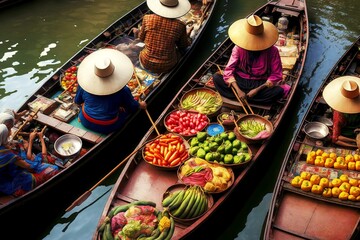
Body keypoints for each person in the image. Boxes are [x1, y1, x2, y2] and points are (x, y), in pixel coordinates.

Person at [213, 15, 290, 104]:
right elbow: (229, 70)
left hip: (260, 82)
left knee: (278, 91)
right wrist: (238, 90)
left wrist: (257, 89)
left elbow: (276, 74)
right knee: (216, 78)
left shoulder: (273, 51)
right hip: (240, 81)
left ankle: (245, 97)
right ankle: (245, 96)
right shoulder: (238, 48)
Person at [74, 48, 147, 134]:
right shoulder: (123, 90)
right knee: (125, 110)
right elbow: (132, 107)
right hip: (108, 126)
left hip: (85, 120)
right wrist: (141, 105)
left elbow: (77, 101)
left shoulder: (84, 84)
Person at [132, 0, 192, 74]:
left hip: (146, 62)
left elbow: (141, 38)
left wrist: (138, 31)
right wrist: (187, 35)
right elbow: (183, 45)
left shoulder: (147, 18)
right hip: (168, 65)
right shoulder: (180, 25)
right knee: (185, 50)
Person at [0, 124, 59, 197]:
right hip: (11, 182)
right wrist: (34, 140)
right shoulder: (7, 154)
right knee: (54, 169)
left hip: (8, 176)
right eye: (8, 130)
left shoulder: (6, 148)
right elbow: (29, 166)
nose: (10, 132)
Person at [322, 76, 360, 149]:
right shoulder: (339, 115)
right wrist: (355, 143)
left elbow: (335, 139)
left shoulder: (339, 114)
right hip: (353, 135)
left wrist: (355, 143)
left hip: (352, 133)